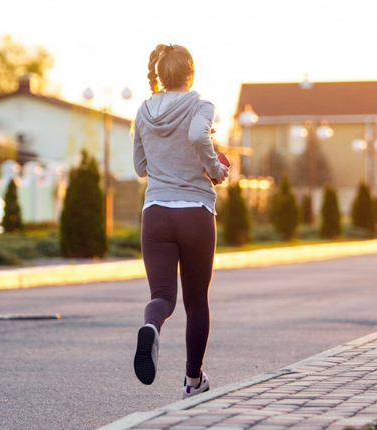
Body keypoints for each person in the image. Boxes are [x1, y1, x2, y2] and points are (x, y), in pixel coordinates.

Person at [131, 43, 229, 398]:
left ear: (159, 75)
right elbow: (197, 135)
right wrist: (214, 168)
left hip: (156, 213)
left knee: (162, 296)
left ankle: (152, 326)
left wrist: (163, 157)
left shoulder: (143, 110)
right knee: (196, 300)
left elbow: (140, 167)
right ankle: (192, 381)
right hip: (195, 213)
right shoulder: (201, 106)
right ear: (191, 73)